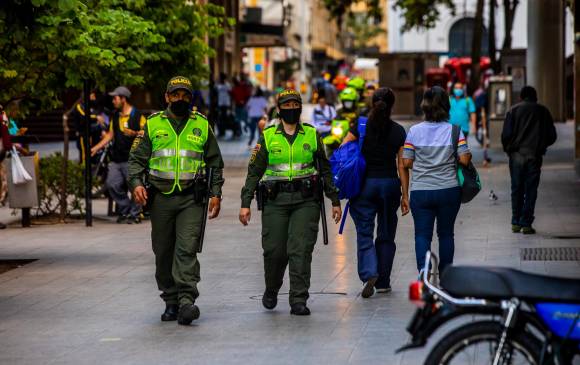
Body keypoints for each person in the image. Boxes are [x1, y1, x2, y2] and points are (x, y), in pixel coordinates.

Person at [128, 76, 224, 325]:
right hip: (160, 199)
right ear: (167, 97)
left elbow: (215, 162)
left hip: (192, 198)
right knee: (163, 251)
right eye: (175, 94)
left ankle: (186, 302)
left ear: (191, 99)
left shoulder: (201, 125)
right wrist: (137, 184)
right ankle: (170, 300)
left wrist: (216, 193)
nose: (180, 99)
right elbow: (136, 160)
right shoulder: (153, 124)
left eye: (185, 95)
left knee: (186, 248)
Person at [239, 89, 342, 316]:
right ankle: (272, 288)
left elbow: (325, 169)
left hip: (306, 202)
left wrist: (334, 200)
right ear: (279, 109)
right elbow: (254, 172)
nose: (292, 109)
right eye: (287, 105)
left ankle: (298, 298)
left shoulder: (312, 135)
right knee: (275, 251)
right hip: (275, 202)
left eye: (295, 105)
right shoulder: (267, 136)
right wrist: (245, 203)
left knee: (301, 250)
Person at [342, 88, 409, 298]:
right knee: (387, 233)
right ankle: (383, 282)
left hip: (364, 185)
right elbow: (402, 165)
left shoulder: (360, 126)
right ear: (392, 105)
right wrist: (405, 194)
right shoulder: (399, 131)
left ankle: (370, 272)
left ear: (373, 103)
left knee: (364, 232)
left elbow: (344, 148)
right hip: (389, 185)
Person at [402, 86, 472, 274]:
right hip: (449, 190)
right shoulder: (455, 131)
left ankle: (424, 273)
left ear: (424, 106)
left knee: (422, 235)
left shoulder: (414, 131)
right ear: (446, 106)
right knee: (446, 234)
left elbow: (407, 162)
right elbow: (465, 159)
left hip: (421, 192)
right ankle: (446, 273)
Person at [501, 86, 557, 235]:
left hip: (516, 155)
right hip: (534, 155)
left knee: (516, 188)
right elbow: (552, 136)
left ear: (521, 97)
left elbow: (505, 135)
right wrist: (541, 145)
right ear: (535, 97)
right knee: (531, 189)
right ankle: (526, 223)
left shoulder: (513, 111)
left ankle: (515, 221)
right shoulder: (543, 111)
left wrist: (509, 150)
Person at [90, 86, 145, 224]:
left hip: (133, 159)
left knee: (135, 187)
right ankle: (126, 209)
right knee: (111, 184)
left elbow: (148, 134)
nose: (113, 101)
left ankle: (135, 214)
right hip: (117, 158)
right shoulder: (115, 116)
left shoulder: (138, 115)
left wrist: (134, 133)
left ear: (123, 99)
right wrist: (95, 148)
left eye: (115, 98)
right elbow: (110, 135)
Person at [215, 73, 235, 138]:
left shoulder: (227, 85)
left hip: (226, 104)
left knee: (224, 118)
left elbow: (231, 95)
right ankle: (221, 131)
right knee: (220, 118)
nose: (221, 79)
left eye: (221, 78)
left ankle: (223, 131)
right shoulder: (218, 85)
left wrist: (231, 105)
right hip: (220, 104)